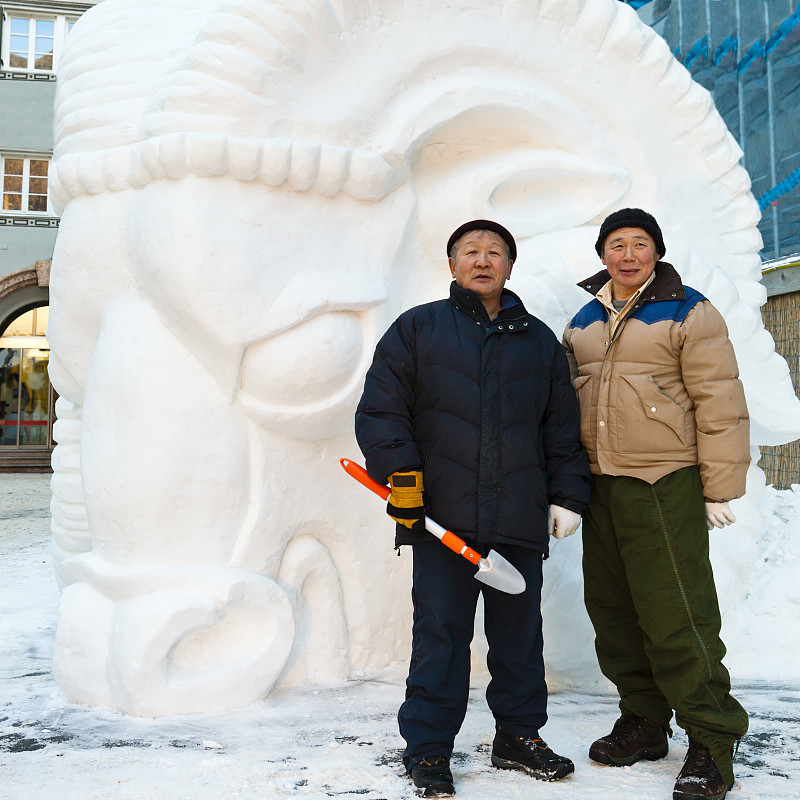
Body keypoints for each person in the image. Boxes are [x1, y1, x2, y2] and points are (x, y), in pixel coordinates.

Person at [355, 219, 591, 797]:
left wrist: (567, 495)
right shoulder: (417, 330)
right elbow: (383, 412)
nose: (482, 261)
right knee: (441, 633)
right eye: (471, 252)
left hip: (517, 517)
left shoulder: (538, 342)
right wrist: (403, 479)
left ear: (510, 266)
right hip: (443, 519)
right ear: (453, 264)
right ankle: (429, 750)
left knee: (519, 637)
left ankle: (518, 737)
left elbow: (560, 430)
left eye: (495, 253)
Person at [562, 208, 749, 800]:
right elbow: (566, 407)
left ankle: (712, 737)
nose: (628, 254)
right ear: (602, 256)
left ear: (657, 252)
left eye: (639, 244)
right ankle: (643, 720)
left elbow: (719, 399)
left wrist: (719, 485)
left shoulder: (689, 311)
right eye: (616, 245)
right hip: (602, 485)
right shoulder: (585, 321)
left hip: (664, 481)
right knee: (615, 613)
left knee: (677, 615)